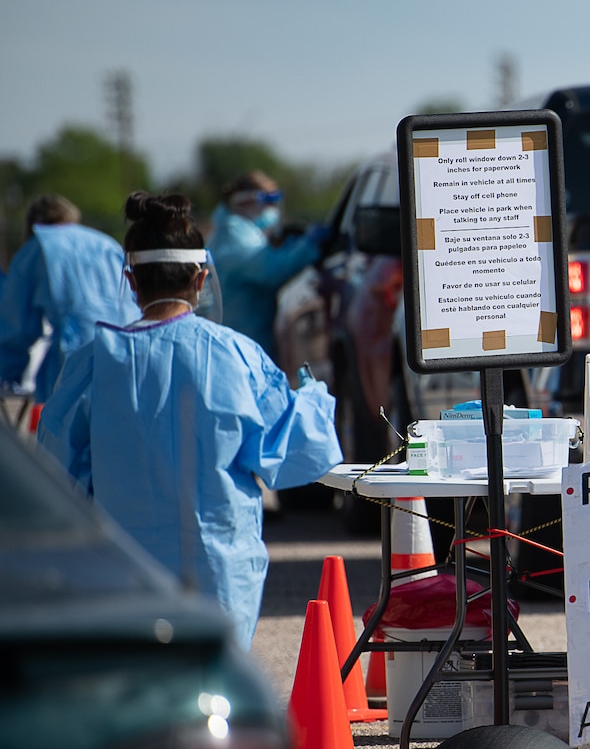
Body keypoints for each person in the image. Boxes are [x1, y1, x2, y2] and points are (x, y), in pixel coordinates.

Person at [39, 192, 342, 650]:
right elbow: (302, 452)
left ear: (131, 281)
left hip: (124, 576)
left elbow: (58, 474)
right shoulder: (237, 356)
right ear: (201, 279)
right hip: (220, 578)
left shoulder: (92, 363)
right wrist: (314, 394)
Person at [0, 193, 139, 401]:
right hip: (130, 357)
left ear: (32, 225)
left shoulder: (37, 247)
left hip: (76, 359)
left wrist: (8, 374)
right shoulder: (107, 243)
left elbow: (16, 327)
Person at [206, 170, 325, 362]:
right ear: (246, 202)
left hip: (242, 345)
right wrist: (309, 245)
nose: (273, 210)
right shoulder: (233, 235)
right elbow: (270, 270)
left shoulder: (234, 231)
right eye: (269, 201)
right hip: (242, 349)